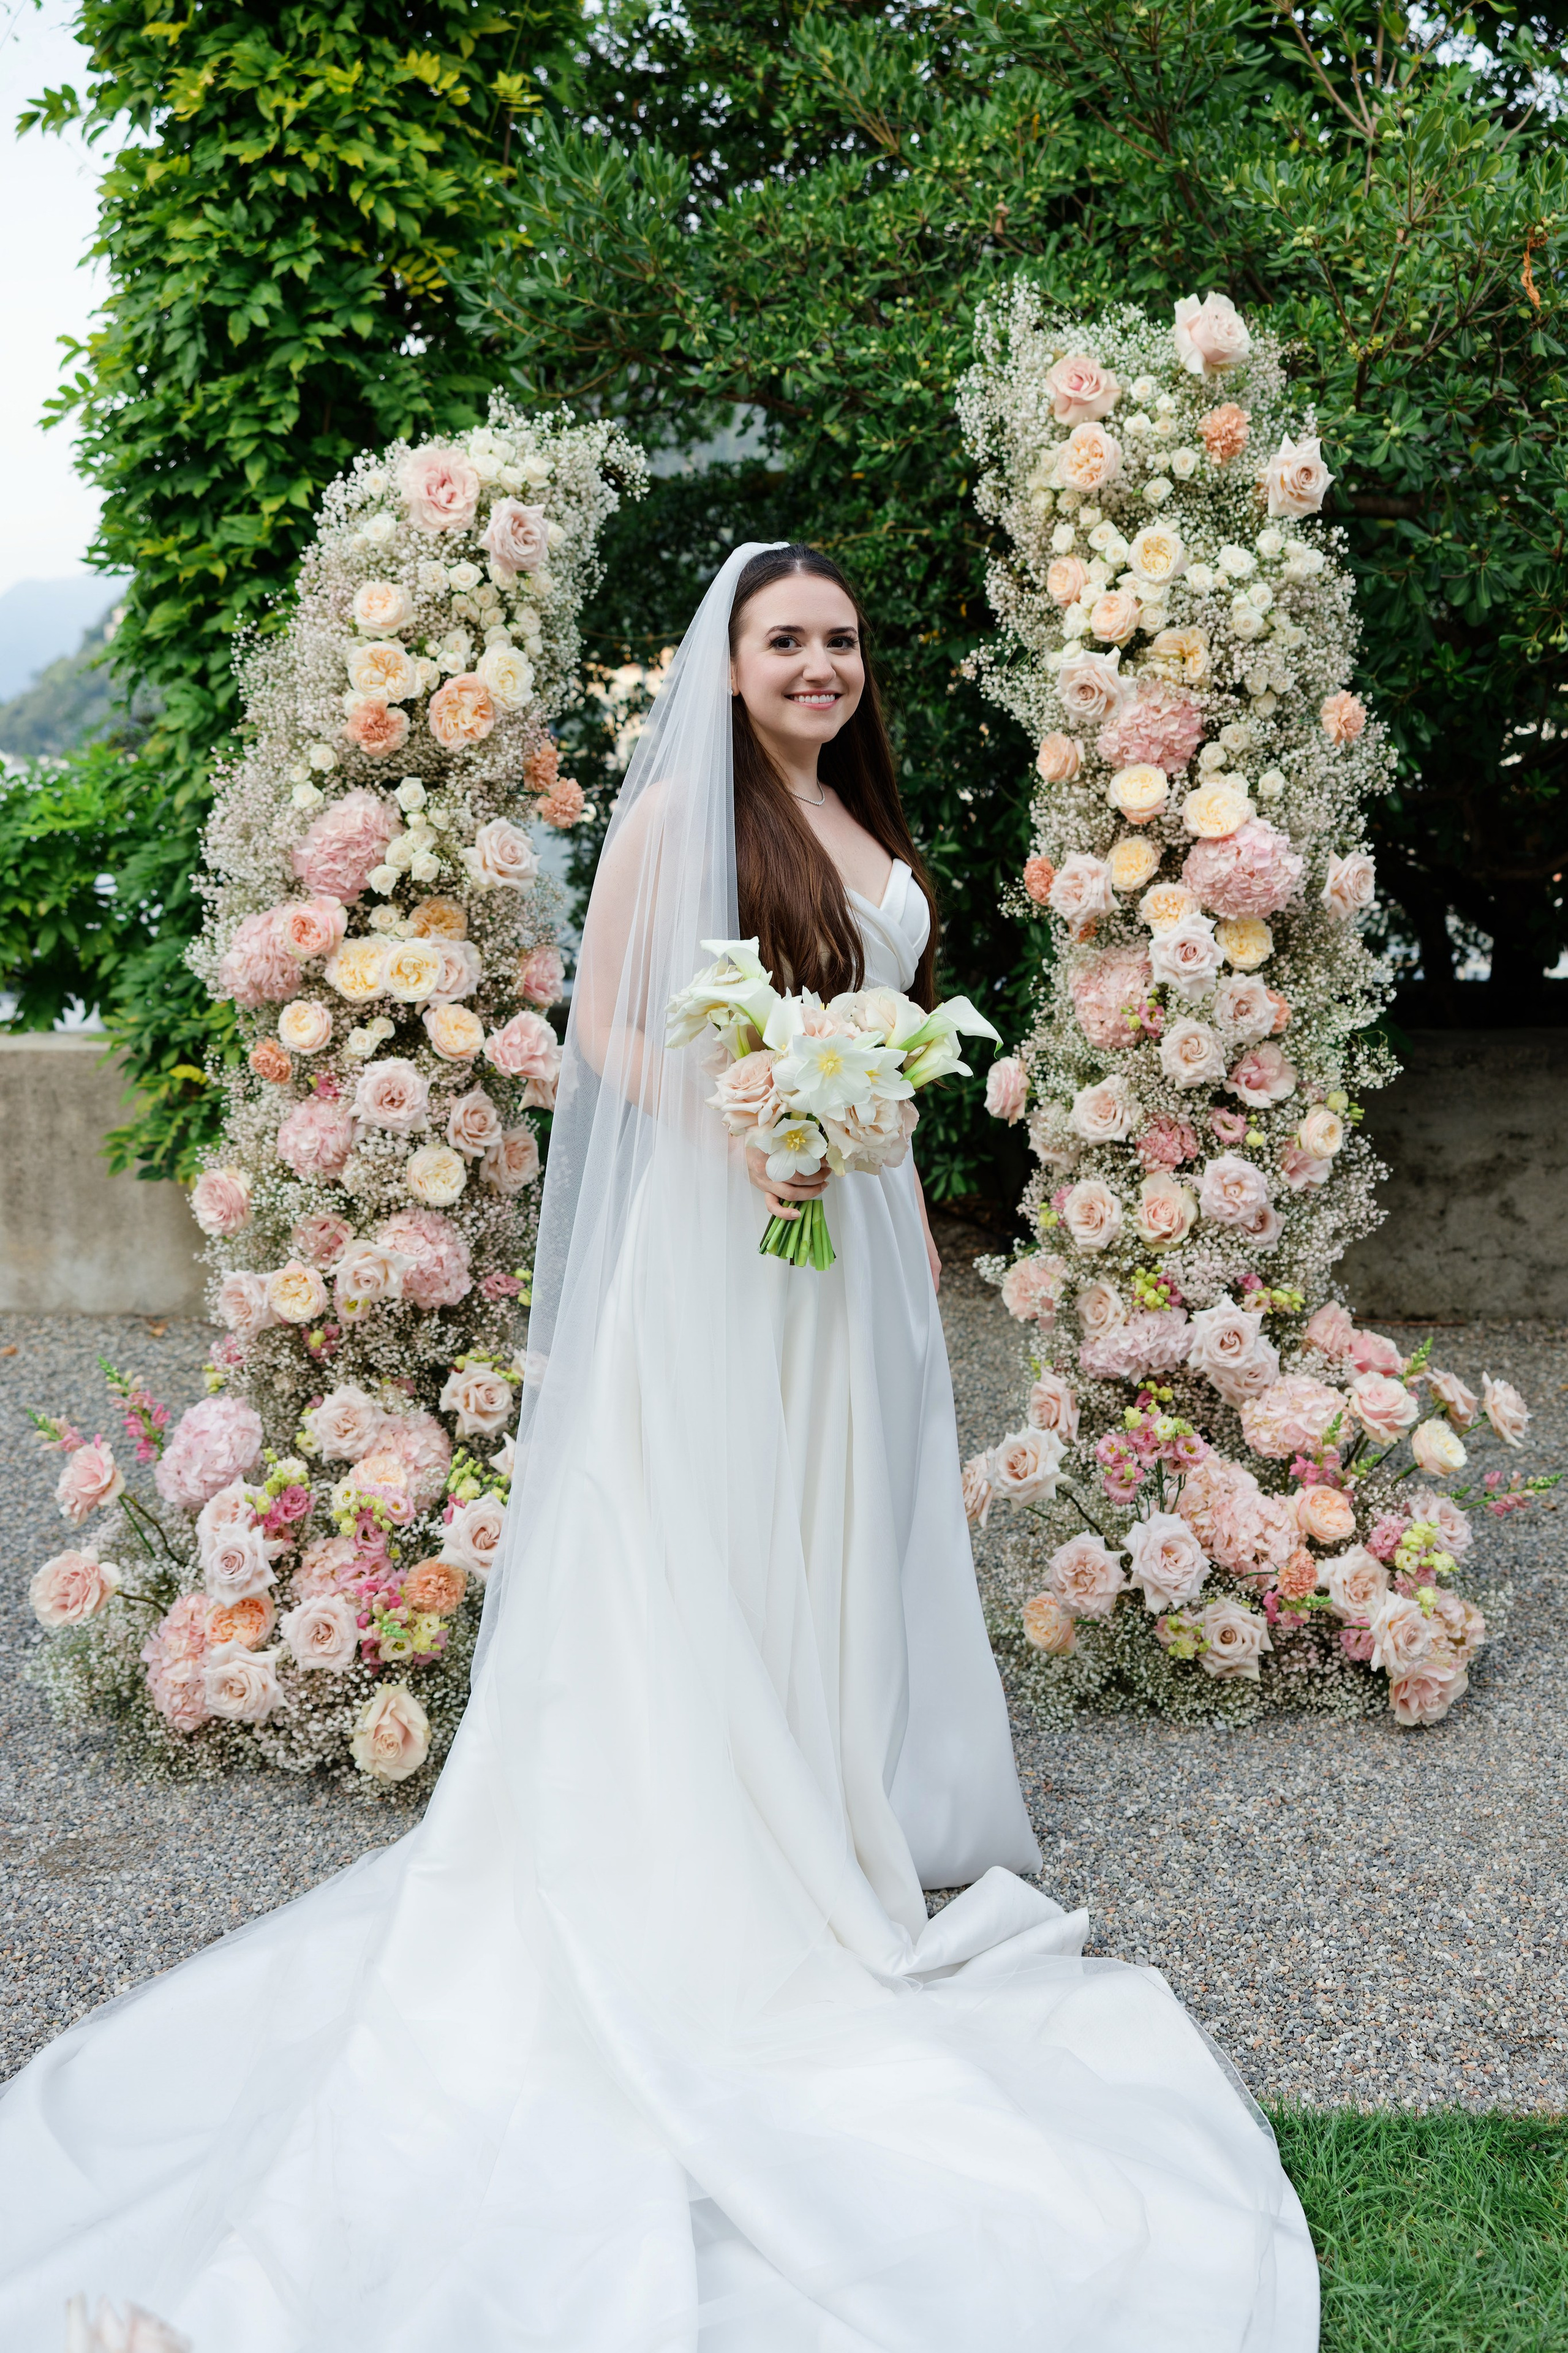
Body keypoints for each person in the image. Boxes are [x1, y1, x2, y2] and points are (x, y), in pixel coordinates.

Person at [0, 542, 1318, 2352]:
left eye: (843, 640)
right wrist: (742, 1115)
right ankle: (710, 1828)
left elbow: (892, 1021)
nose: (820, 666)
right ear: (726, 665)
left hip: (846, 1240)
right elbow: (603, 1024)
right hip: (721, 1239)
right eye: (788, 640)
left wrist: (847, 1121)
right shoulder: (677, 826)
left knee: (829, 1517)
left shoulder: (867, 821)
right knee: (698, 1518)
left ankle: (822, 1788)